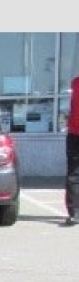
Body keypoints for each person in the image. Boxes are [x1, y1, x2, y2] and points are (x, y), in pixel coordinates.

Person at [65, 76, 79, 226]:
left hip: (74, 134)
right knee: (73, 174)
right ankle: (75, 212)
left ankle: (75, 212)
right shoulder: (75, 82)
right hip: (74, 133)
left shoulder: (75, 82)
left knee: (73, 174)